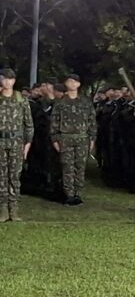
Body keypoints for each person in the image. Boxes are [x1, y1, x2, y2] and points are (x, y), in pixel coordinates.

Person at [50, 74, 97, 206]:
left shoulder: (86, 102)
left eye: (74, 81)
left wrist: (92, 139)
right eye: (69, 81)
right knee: (67, 167)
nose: (71, 84)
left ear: (78, 84)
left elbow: (92, 121)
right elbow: (54, 122)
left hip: (82, 138)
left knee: (80, 167)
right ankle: (69, 195)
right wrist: (55, 139)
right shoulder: (60, 103)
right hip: (65, 138)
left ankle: (78, 194)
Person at [0, 68, 34, 222]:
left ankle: (13, 209)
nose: (7, 82)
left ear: (14, 81)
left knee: (14, 176)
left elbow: (29, 124)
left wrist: (26, 146)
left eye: (10, 79)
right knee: (1, 176)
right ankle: (3, 209)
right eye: (4, 79)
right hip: (1, 141)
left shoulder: (21, 99)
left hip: (16, 142)